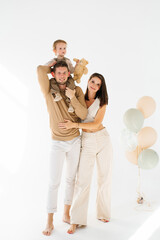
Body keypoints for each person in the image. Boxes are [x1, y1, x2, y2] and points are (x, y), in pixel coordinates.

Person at [37, 61, 87, 236]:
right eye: (58, 73)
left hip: (74, 140)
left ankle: (66, 213)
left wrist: (72, 96)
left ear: (68, 73)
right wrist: (54, 60)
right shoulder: (48, 90)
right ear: (53, 74)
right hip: (57, 142)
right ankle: (49, 221)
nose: (62, 76)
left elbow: (83, 115)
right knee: (53, 182)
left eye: (64, 72)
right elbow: (39, 69)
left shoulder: (77, 90)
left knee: (70, 179)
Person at [58, 73, 113, 234]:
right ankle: (76, 220)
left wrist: (73, 125)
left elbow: (96, 123)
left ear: (101, 87)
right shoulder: (80, 97)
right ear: (88, 81)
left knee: (104, 177)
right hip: (87, 141)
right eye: (93, 81)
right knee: (82, 181)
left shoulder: (102, 102)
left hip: (103, 139)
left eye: (98, 84)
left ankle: (103, 213)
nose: (94, 85)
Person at [46, 39, 78, 113]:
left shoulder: (67, 61)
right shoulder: (53, 61)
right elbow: (44, 67)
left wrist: (76, 65)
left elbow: (72, 70)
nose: (63, 50)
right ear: (55, 51)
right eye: (60, 48)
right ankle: (56, 94)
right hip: (56, 78)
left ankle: (70, 103)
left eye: (64, 48)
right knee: (52, 82)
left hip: (68, 77)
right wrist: (50, 66)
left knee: (71, 84)